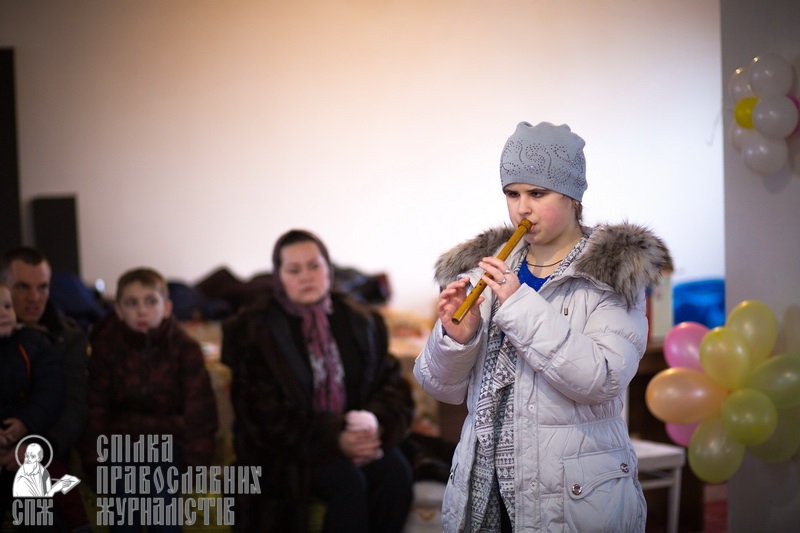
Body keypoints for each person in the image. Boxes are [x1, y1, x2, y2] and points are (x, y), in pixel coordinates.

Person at [414, 121, 673, 532]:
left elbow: (601, 380)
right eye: (512, 193)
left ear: (572, 196)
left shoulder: (612, 275)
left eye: (537, 193)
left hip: (571, 499)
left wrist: (519, 305)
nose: (522, 208)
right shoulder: (490, 269)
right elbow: (440, 386)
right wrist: (456, 339)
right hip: (486, 493)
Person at [222, 229, 415, 533]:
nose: (306, 277)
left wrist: (374, 422)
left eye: (314, 266)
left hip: (358, 435)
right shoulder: (255, 330)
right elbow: (261, 414)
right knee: (347, 483)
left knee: (395, 474)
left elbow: (392, 386)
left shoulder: (361, 321)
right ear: (279, 277)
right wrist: (334, 438)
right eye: (294, 270)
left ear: (328, 269)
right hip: (287, 450)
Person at [81, 267, 218, 532]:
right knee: (124, 508)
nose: (142, 311)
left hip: (168, 444)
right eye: (132, 303)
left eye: (150, 302)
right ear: (118, 310)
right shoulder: (106, 348)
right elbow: (95, 409)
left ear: (166, 308)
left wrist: (195, 465)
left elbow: (200, 410)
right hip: (120, 446)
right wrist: (95, 462)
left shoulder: (184, 348)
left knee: (163, 508)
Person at [1, 247, 90, 531]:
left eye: (42, 287)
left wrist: (35, 447)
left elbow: (73, 409)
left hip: (44, 449)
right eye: (22, 287)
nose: (35, 298)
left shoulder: (68, 337)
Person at [0, 281, 65, 522]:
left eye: (7, 306)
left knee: (38, 510)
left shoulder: (34, 343)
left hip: (27, 441)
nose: (3, 313)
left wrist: (25, 423)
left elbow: (50, 393)